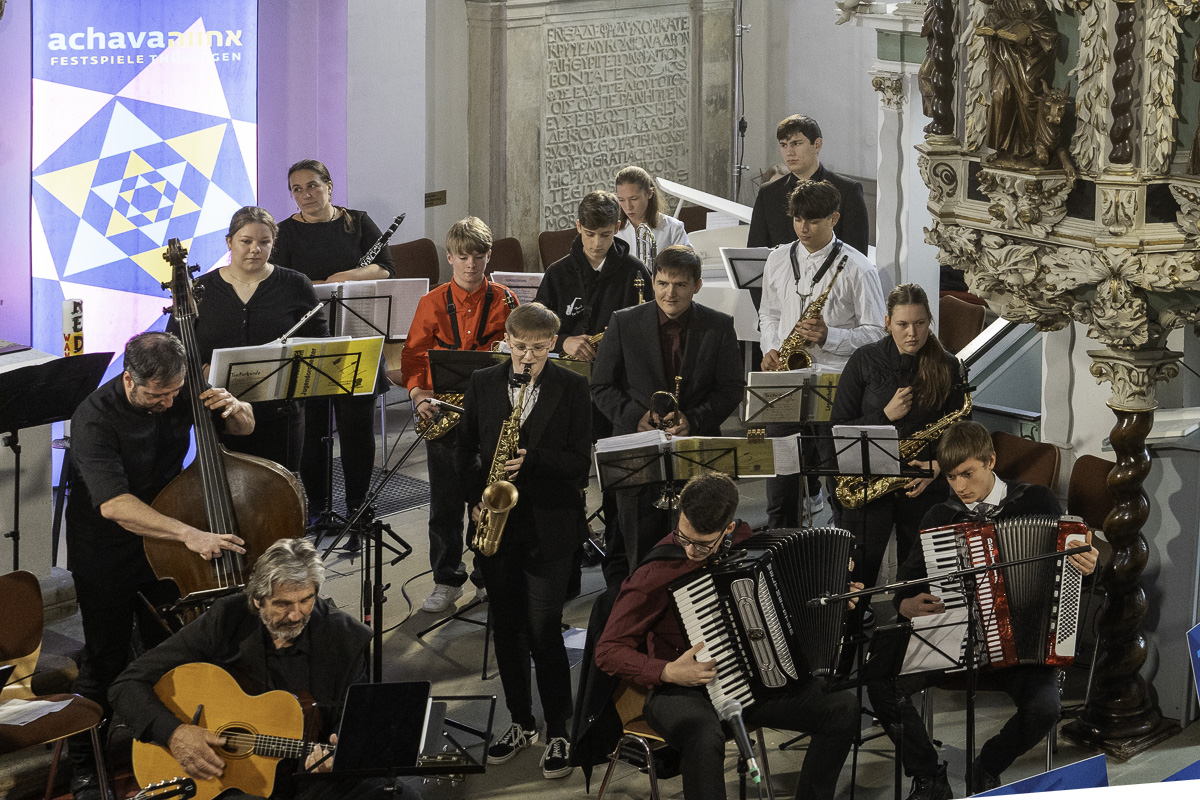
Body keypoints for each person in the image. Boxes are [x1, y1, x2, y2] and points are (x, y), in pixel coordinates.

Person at [65, 331, 253, 799]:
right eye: (156, 396)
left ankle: (165, 741)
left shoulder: (181, 389)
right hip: (107, 545)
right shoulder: (93, 417)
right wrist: (189, 534)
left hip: (166, 535)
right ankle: (85, 766)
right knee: (105, 655)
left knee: (171, 645)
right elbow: (114, 505)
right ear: (130, 379)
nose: (168, 403)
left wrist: (236, 408)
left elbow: (244, 429)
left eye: (174, 392)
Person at [866, 421, 1098, 799]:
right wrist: (905, 602)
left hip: (1022, 643)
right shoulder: (940, 516)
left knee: (1045, 709)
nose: (959, 487)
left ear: (990, 461)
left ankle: (988, 765)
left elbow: (1068, 574)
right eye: (951, 477)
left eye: (967, 473)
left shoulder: (1036, 501)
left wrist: (1087, 567)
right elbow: (908, 580)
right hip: (956, 639)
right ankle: (929, 775)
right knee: (881, 682)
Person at [595, 472, 861, 800]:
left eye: (702, 544)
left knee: (842, 708)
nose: (690, 550)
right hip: (680, 691)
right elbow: (608, 650)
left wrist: (833, 600)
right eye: (684, 537)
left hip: (751, 683)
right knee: (703, 736)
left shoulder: (749, 544)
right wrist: (667, 671)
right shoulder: (655, 572)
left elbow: (787, 603)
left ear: (729, 528)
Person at [109, 538, 420, 799]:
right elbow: (127, 683)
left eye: (306, 600)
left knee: (401, 796)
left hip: (309, 776)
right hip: (228, 780)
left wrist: (338, 753)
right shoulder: (227, 619)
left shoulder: (345, 638)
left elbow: (356, 724)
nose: (296, 615)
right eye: (283, 604)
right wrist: (175, 733)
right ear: (257, 600)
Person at [453, 303, 592, 779]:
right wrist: (475, 498)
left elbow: (579, 464)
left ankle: (559, 729)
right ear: (506, 341)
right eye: (518, 347)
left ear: (553, 343)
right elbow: (464, 449)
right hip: (497, 526)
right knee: (507, 630)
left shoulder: (572, 386)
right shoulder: (483, 382)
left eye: (537, 348)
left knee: (543, 630)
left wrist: (532, 461)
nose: (527, 357)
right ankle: (520, 722)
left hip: (550, 526)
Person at [591, 245, 745, 580]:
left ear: (697, 285)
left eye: (680, 285)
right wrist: (636, 418)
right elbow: (601, 386)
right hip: (638, 456)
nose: (669, 293)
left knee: (698, 559)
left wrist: (694, 419)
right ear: (652, 282)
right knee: (641, 558)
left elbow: (731, 388)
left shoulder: (719, 325)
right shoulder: (623, 322)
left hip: (696, 456)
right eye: (662, 283)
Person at [392, 217, 518, 613]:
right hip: (443, 413)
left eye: (478, 256)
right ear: (449, 258)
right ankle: (446, 580)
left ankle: (486, 577)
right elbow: (413, 356)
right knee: (445, 505)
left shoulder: (506, 299)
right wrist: (418, 395)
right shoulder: (431, 302)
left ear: (488, 256)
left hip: (492, 414)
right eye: (463, 257)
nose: (471, 265)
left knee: (488, 499)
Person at [272, 159, 396, 534]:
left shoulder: (357, 221)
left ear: (328, 185)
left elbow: (385, 267)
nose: (305, 195)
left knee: (357, 429)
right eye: (297, 189)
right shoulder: (284, 233)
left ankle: (358, 505)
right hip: (309, 342)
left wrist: (343, 277)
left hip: (357, 338)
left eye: (312, 186)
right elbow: (276, 281)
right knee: (312, 432)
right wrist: (316, 287)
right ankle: (318, 507)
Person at [758, 179, 885, 528]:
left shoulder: (859, 267)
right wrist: (771, 347)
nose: (803, 228)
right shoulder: (778, 258)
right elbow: (768, 314)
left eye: (813, 220)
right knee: (780, 489)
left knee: (838, 487)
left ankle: (841, 551)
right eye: (798, 219)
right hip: (785, 383)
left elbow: (877, 334)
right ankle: (781, 550)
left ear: (834, 218)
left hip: (836, 387)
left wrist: (831, 336)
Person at [829, 283, 966, 599]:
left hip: (922, 487)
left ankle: (909, 628)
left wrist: (937, 466)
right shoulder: (864, 359)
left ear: (929, 320)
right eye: (902, 324)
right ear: (887, 322)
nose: (912, 333)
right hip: (870, 483)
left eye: (920, 323)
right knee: (857, 577)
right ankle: (854, 626)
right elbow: (838, 428)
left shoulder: (948, 365)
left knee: (918, 580)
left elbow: (961, 432)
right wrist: (885, 415)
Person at [169, 206, 327, 472]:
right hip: (219, 412)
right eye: (246, 241)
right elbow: (174, 348)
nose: (256, 249)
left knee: (282, 486)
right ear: (229, 242)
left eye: (265, 242)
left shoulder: (295, 285)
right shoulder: (200, 290)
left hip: (280, 412)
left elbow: (320, 345)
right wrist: (199, 371)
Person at [535, 190, 651, 363]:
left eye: (605, 235)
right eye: (590, 234)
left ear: (617, 228)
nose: (597, 243)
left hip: (619, 367)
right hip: (567, 367)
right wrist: (562, 342)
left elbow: (651, 327)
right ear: (578, 226)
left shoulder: (636, 271)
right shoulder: (556, 273)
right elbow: (535, 329)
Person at [747, 114, 870, 253]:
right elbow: (755, 252)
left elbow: (856, 255)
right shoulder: (768, 193)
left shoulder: (848, 190)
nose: (789, 152)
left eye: (796, 143)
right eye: (783, 145)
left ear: (817, 145)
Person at [613, 166, 691, 256]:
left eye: (634, 199)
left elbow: (688, 263)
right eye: (621, 200)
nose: (628, 207)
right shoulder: (613, 230)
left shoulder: (673, 228)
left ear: (649, 193)